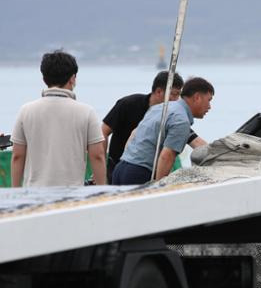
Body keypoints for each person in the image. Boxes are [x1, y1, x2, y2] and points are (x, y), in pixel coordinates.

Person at [10, 50, 106, 187]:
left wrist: (16, 191)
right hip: (72, 195)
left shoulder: (26, 111)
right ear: (73, 78)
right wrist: (102, 190)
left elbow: (17, 156)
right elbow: (97, 155)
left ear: (44, 79)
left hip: (34, 194)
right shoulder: (86, 112)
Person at [102, 71, 207, 182]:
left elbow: (196, 142)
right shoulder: (129, 104)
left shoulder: (169, 115)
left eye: (178, 95)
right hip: (124, 167)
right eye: (173, 94)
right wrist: (101, 167)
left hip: (124, 168)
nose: (176, 100)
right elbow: (103, 133)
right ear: (158, 91)